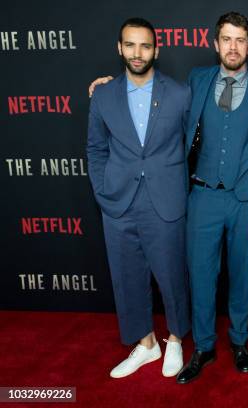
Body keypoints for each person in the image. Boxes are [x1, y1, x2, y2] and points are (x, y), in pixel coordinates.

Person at [176, 12, 248, 384]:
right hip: (203, 194)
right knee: (202, 276)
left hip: (245, 200)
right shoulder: (197, 81)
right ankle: (204, 346)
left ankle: (240, 341)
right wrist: (111, 85)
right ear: (215, 43)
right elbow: (157, 97)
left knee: (242, 275)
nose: (233, 46)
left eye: (240, 40)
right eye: (227, 39)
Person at [87, 17, 191, 379]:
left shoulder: (179, 93)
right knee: (127, 277)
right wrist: (103, 191)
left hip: (165, 200)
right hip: (118, 202)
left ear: (156, 50)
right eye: (130, 45)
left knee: (172, 275)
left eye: (145, 46)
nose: (137, 53)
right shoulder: (102, 94)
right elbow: (96, 148)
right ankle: (146, 344)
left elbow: (198, 141)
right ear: (120, 48)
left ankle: (175, 340)